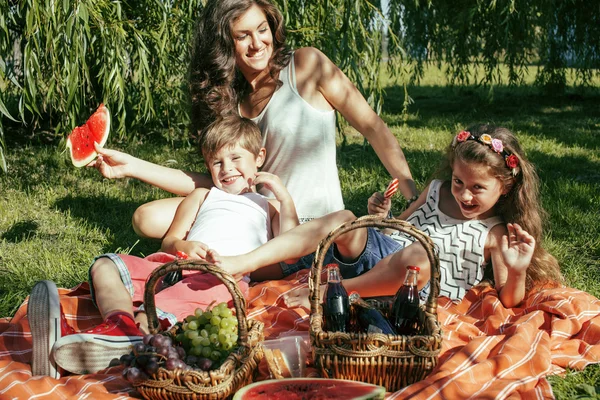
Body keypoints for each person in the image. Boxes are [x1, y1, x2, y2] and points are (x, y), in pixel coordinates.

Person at [89, 0, 419, 257]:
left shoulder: (306, 66)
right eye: (243, 36)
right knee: (146, 218)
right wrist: (131, 166)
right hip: (254, 213)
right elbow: (219, 177)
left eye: (261, 29)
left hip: (311, 222)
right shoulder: (225, 100)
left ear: (272, 26)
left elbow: (373, 128)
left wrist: (413, 197)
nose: (257, 43)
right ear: (225, 44)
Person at [27, 115, 303, 377]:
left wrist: (283, 194)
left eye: (235, 158)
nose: (227, 168)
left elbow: (288, 251)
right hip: (168, 266)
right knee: (106, 265)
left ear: (260, 159)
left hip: (217, 277)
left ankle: (107, 342)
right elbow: (169, 241)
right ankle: (119, 324)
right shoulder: (202, 195)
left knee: (152, 313)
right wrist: (185, 243)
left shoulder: (270, 206)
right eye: (216, 162)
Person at [205, 125, 563, 309]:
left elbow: (510, 300)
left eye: (477, 188)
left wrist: (516, 270)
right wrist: (382, 214)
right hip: (379, 255)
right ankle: (241, 262)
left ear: (505, 188)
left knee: (419, 257)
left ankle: (332, 293)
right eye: (459, 181)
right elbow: (399, 227)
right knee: (345, 217)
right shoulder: (437, 189)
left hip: (412, 288)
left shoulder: (496, 233)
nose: (463, 193)